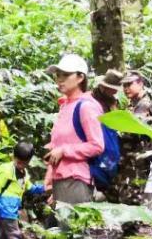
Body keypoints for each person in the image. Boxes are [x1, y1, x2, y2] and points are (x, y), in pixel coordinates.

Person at [43, 53, 105, 208]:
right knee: (62, 229)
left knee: (73, 229)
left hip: (77, 179)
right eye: (58, 75)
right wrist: (50, 175)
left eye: (65, 74)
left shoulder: (86, 106)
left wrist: (64, 150)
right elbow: (56, 147)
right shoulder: (65, 106)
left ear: (80, 78)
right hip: (61, 179)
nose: (59, 79)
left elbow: (97, 145)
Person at [118, 70, 152, 207]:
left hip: (142, 157)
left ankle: (137, 224)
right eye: (124, 86)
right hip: (136, 157)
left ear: (140, 83)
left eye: (129, 84)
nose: (126, 88)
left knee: (137, 194)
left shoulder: (144, 104)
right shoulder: (134, 103)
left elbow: (134, 129)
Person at [92, 69, 124, 202]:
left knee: (110, 168)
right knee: (99, 169)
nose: (115, 92)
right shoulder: (93, 100)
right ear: (104, 86)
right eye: (112, 89)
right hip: (99, 139)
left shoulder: (113, 101)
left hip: (112, 141)